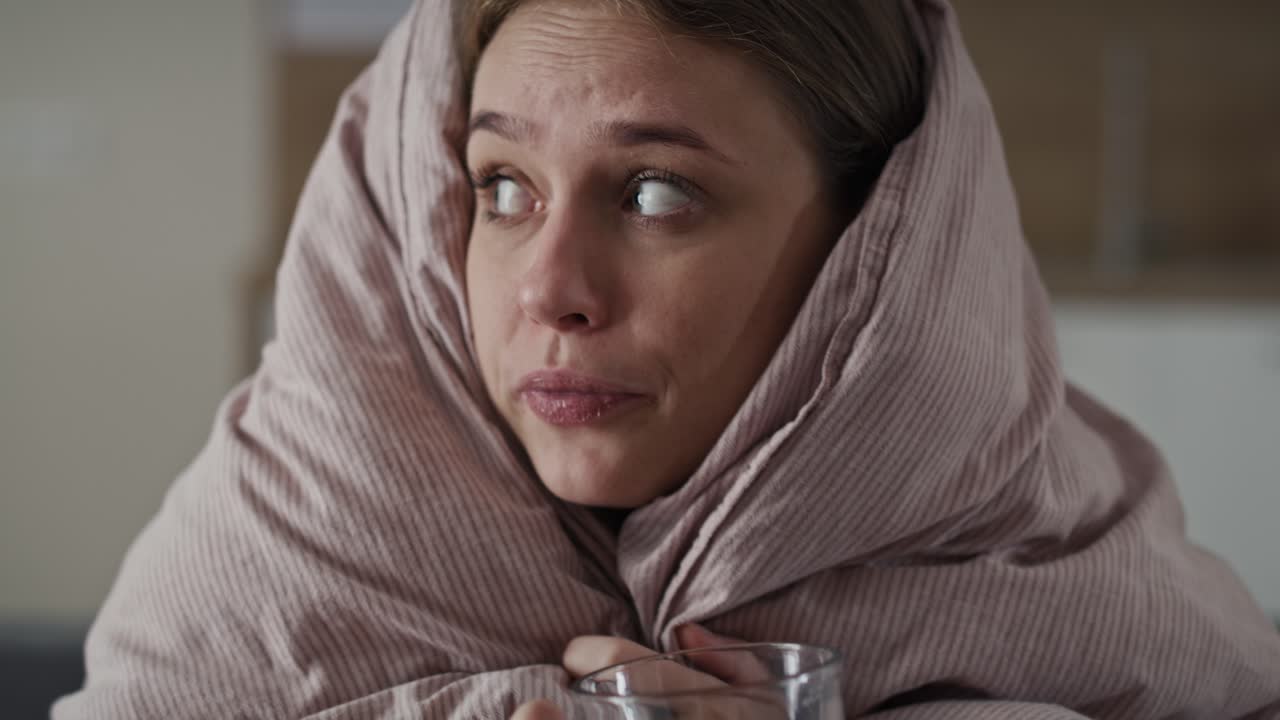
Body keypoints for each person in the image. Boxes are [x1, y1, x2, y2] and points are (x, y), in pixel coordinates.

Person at [56, 0, 1280, 718]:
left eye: (653, 192)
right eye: (500, 186)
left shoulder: (1070, 568)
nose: (549, 290)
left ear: (883, 257)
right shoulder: (274, 536)